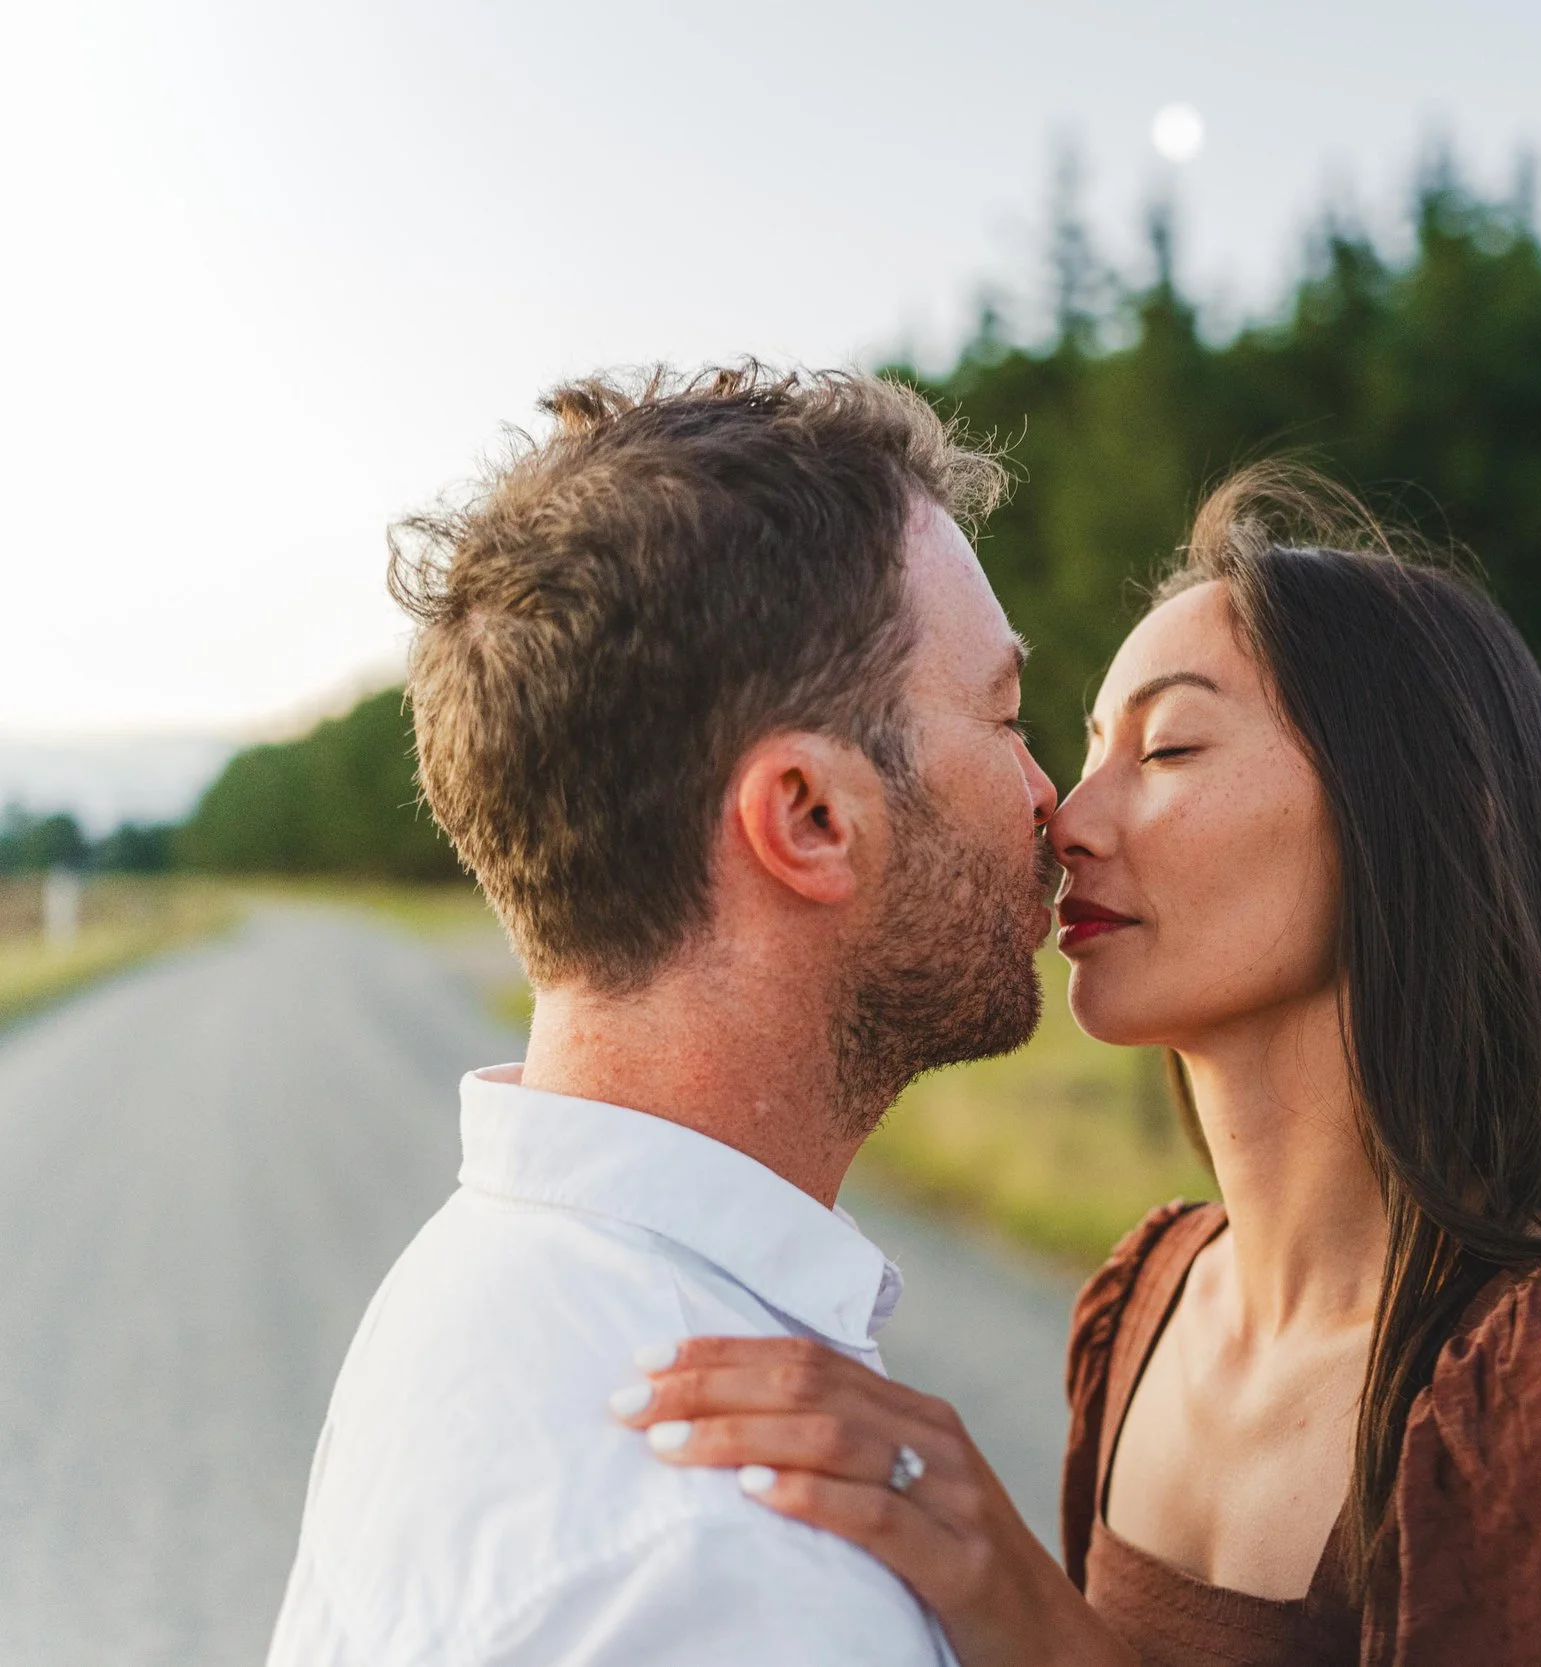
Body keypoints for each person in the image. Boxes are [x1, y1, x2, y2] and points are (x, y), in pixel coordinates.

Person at [619, 465, 1541, 1665]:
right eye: (1084, 748)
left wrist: (1035, 1620)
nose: (1066, 818)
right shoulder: (1140, 1304)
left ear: (1428, 810)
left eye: (1170, 746)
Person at [266, 366, 1110, 1666]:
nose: (1051, 796)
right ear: (812, 817)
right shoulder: (735, 1575)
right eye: (1003, 715)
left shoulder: (497, 1277)